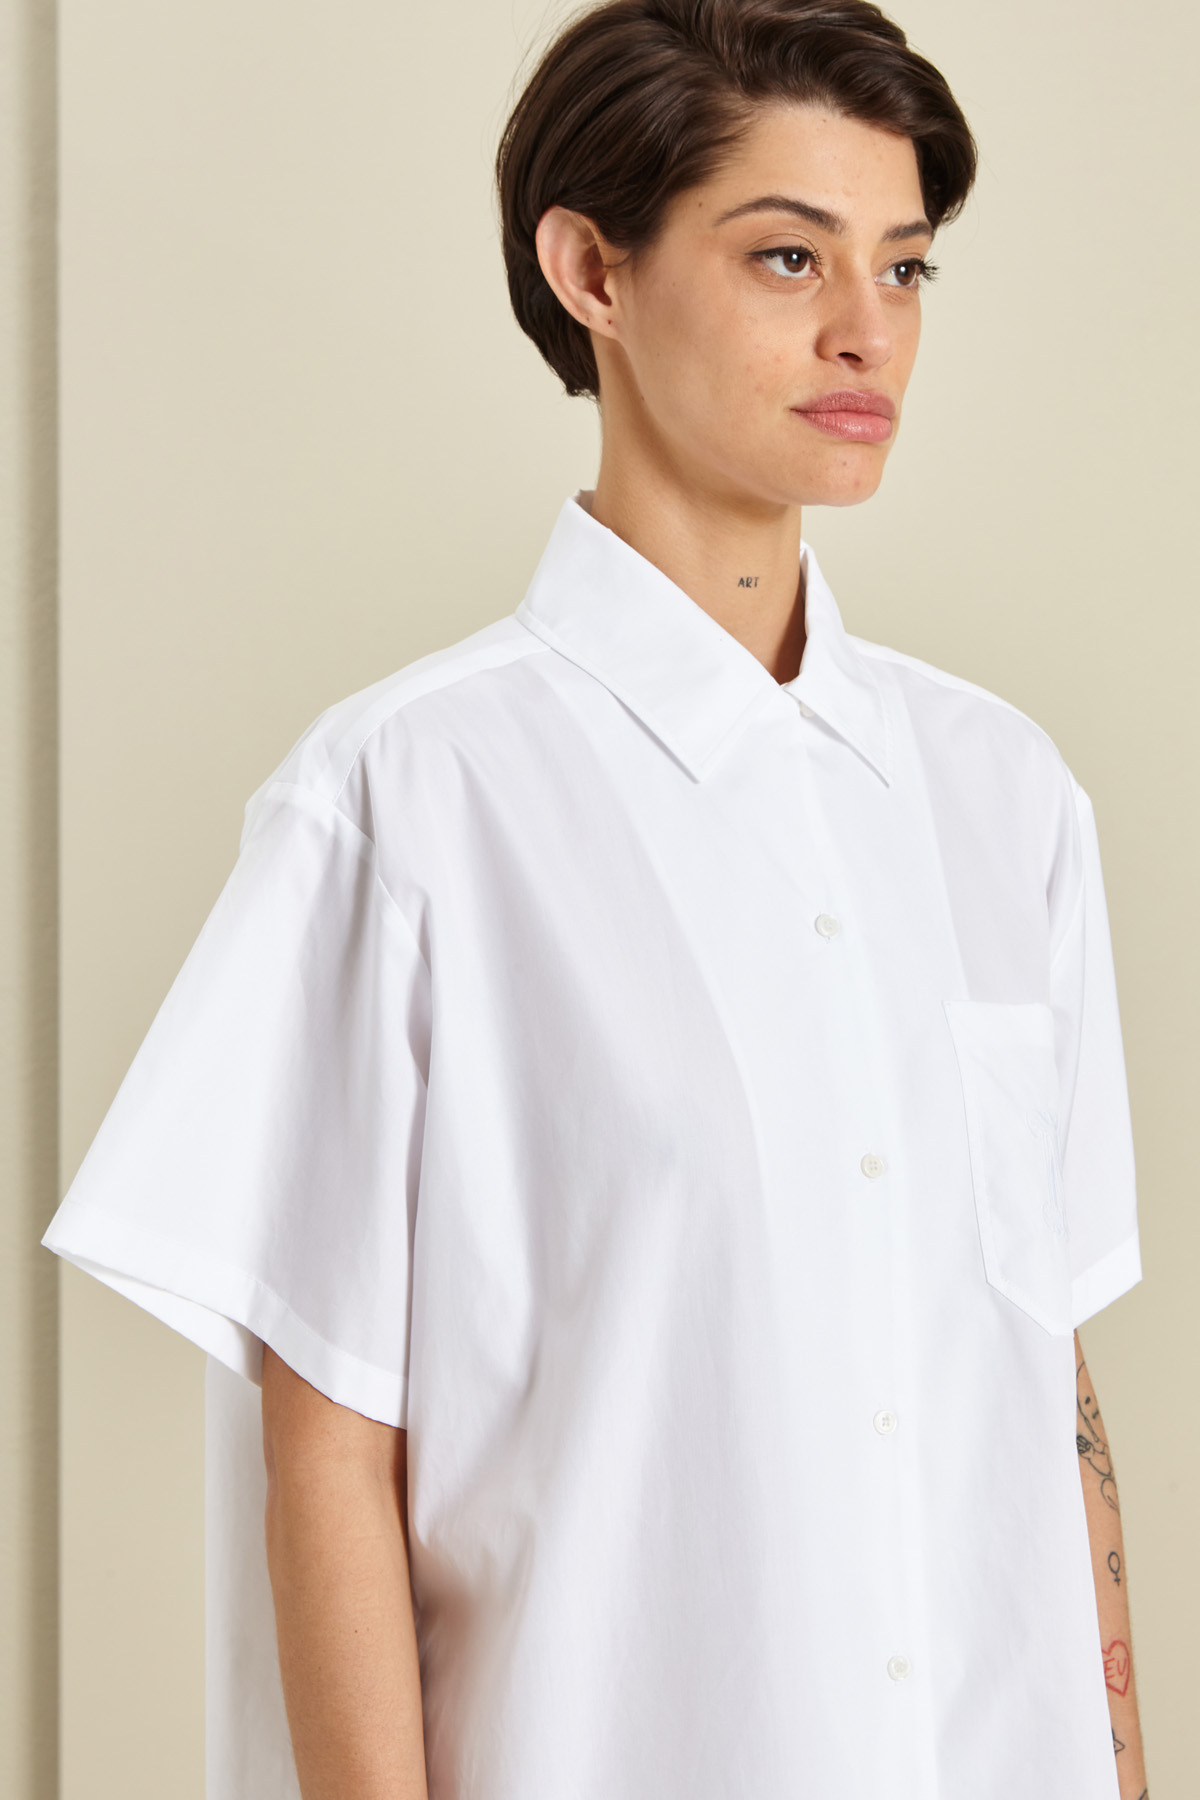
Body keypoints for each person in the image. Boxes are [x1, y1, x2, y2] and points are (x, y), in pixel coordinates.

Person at [42, 1, 1149, 1796]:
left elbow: (1052, 1393)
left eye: (906, 266)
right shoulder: (403, 803)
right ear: (592, 272)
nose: (868, 330)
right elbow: (330, 1460)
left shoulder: (1005, 796)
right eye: (788, 256)